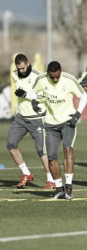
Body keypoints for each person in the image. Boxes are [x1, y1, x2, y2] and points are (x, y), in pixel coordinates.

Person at [30, 61, 87, 199]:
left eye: (57, 76)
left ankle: (68, 188)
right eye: (52, 77)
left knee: (68, 149)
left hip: (68, 121)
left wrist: (78, 114)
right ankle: (59, 188)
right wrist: (33, 102)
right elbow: (32, 91)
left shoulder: (69, 80)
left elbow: (84, 95)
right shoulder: (41, 80)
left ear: (60, 71)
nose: (55, 79)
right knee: (51, 158)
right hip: (50, 124)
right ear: (48, 74)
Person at [7, 54, 55, 190]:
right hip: (21, 117)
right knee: (11, 145)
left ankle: (50, 180)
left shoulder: (38, 76)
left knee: (41, 150)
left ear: (27, 63)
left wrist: (26, 95)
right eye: (19, 68)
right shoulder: (14, 74)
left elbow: (45, 96)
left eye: (23, 68)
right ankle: (26, 173)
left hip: (37, 118)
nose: (21, 71)